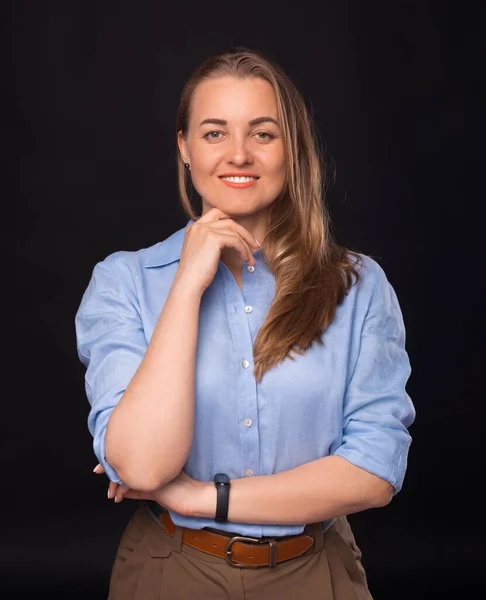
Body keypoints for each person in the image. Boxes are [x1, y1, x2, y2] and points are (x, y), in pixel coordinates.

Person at [75, 46, 416, 600]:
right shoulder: (124, 282)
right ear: (184, 147)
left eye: (263, 133)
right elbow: (140, 463)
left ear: (292, 149)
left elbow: (375, 472)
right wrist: (187, 285)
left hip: (317, 572)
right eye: (214, 133)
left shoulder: (359, 284)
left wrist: (202, 498)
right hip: (172, 569)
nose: (239, 154)